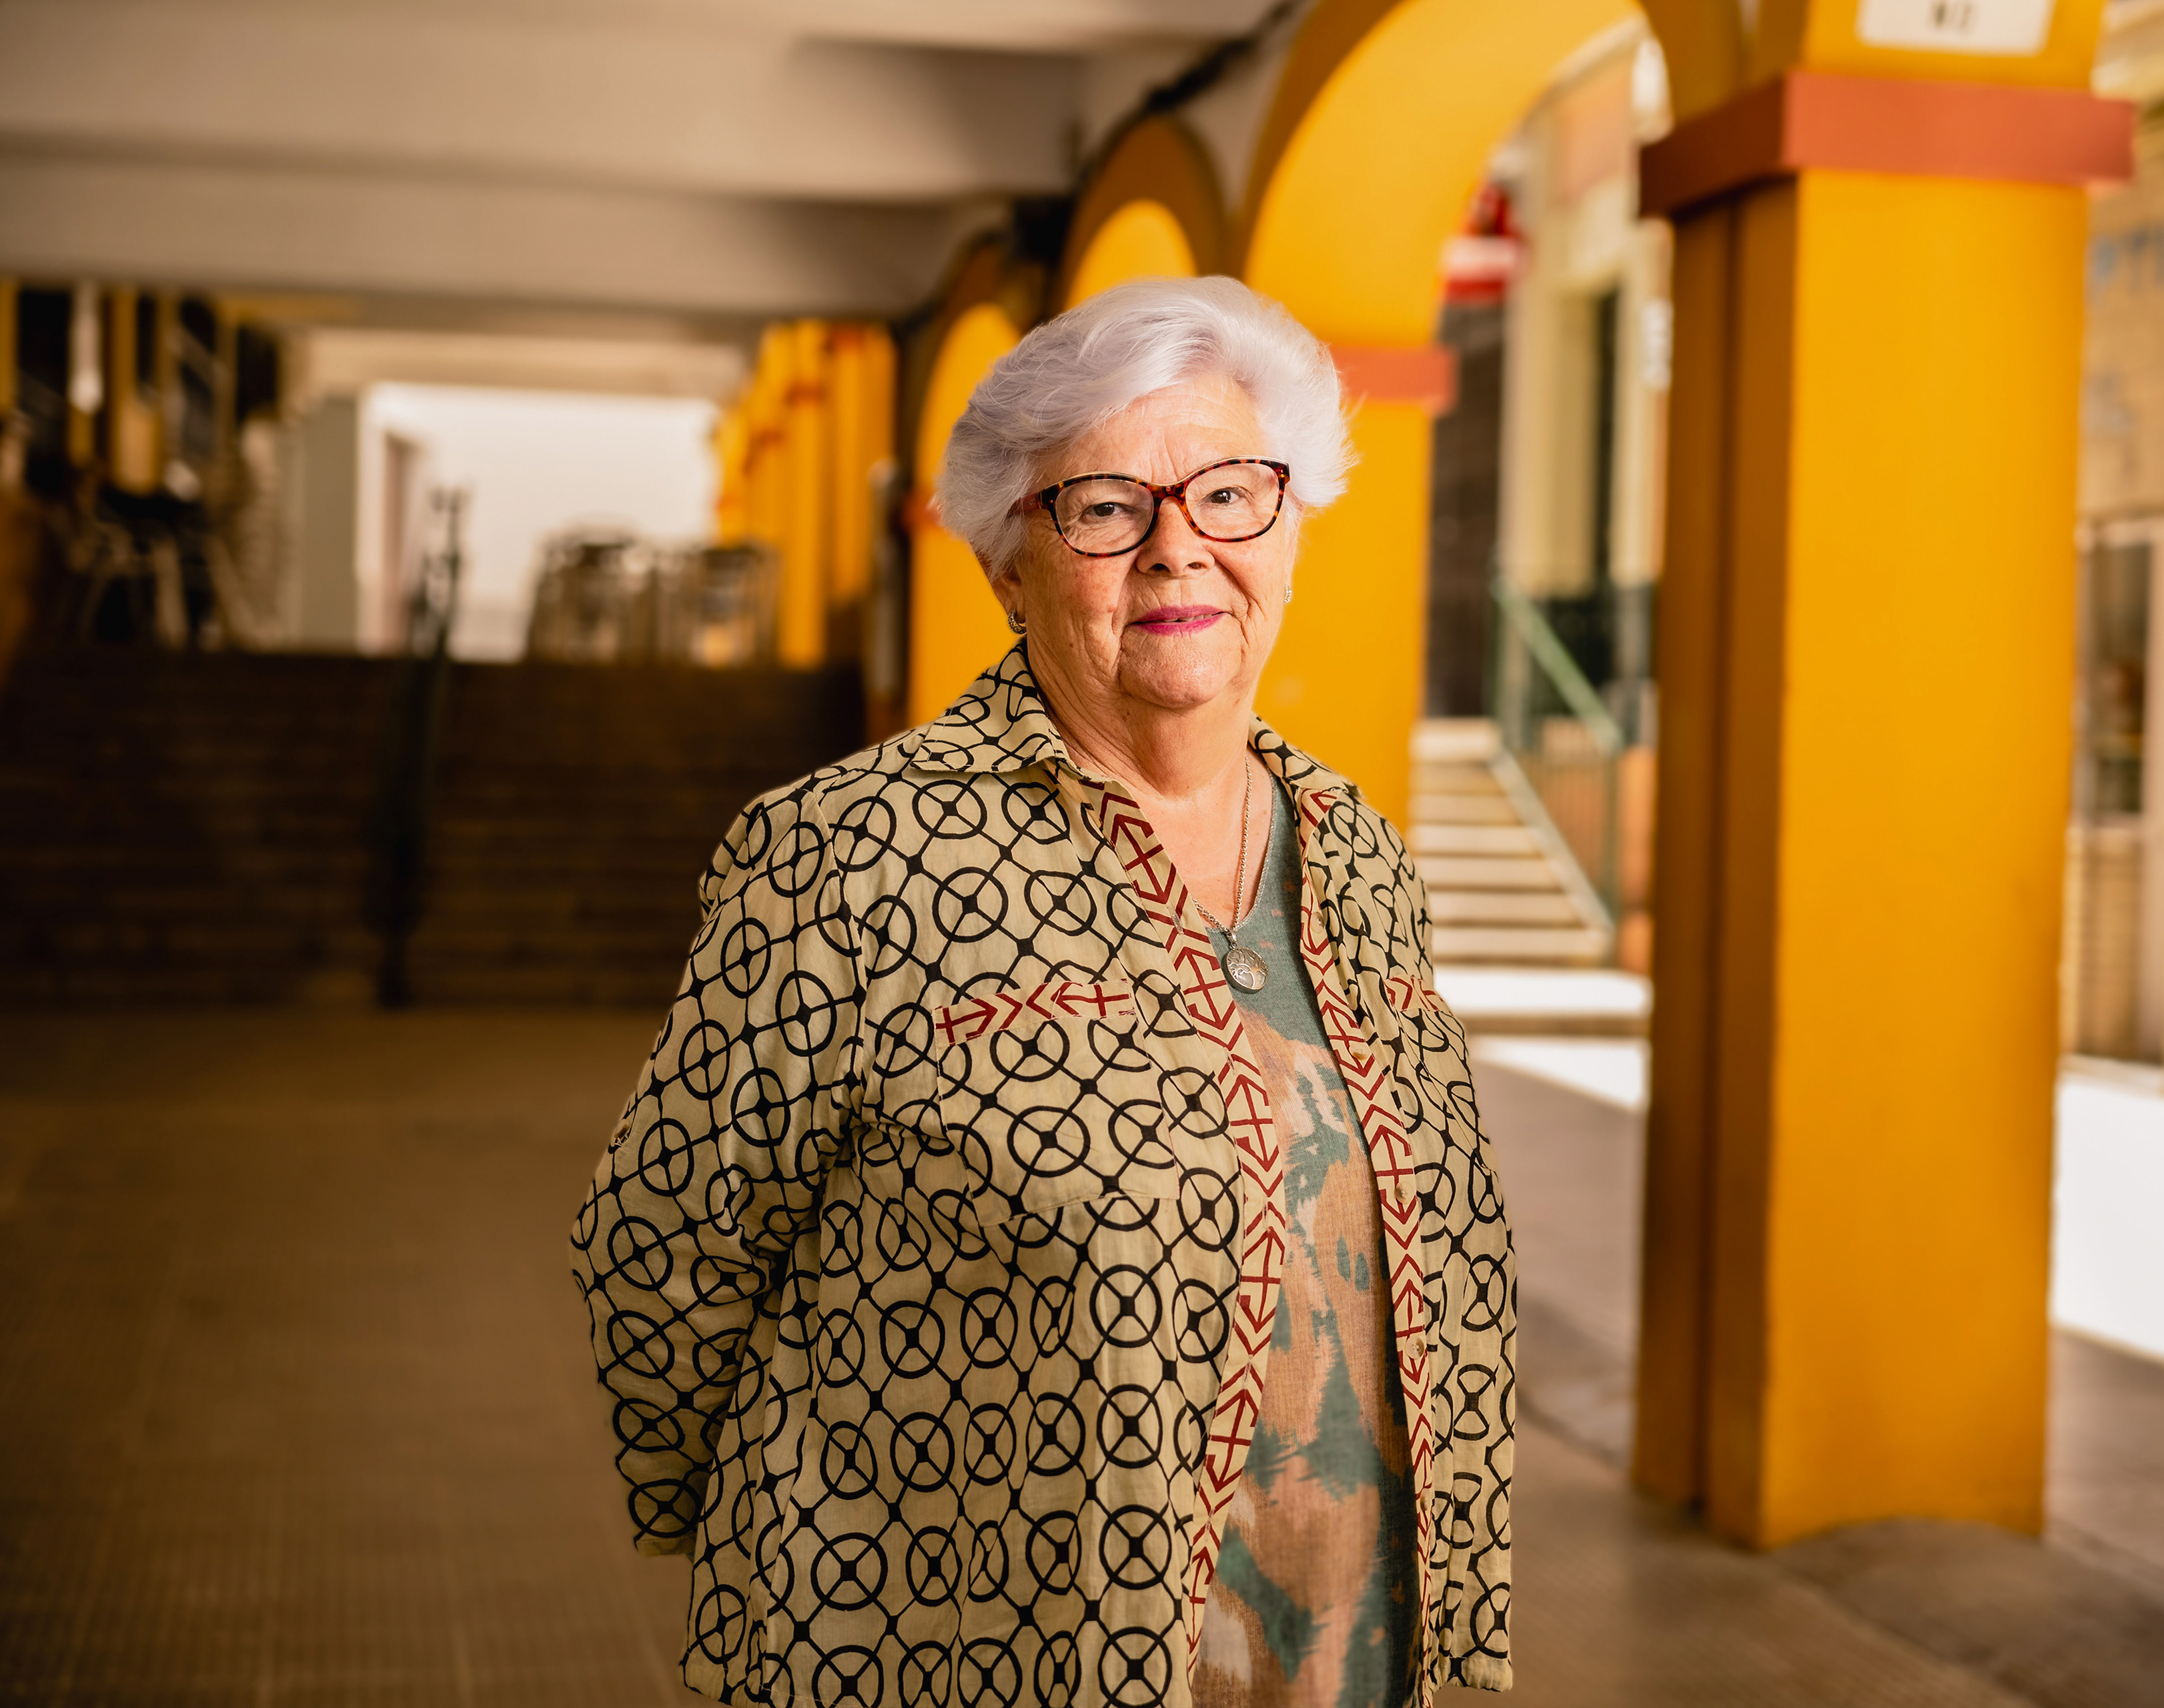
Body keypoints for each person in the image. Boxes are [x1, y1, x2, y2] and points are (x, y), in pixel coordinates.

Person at [571, 276, 1515, 1708]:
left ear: (1291, 527)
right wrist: (796, 1552)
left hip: (1356, 1657)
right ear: (1012, 565)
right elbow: (661, 1247)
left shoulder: (1359, 854)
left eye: (1230, 494)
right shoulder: (854, 856)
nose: (1179, 547)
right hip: (973, 1658)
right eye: (1108, 508)